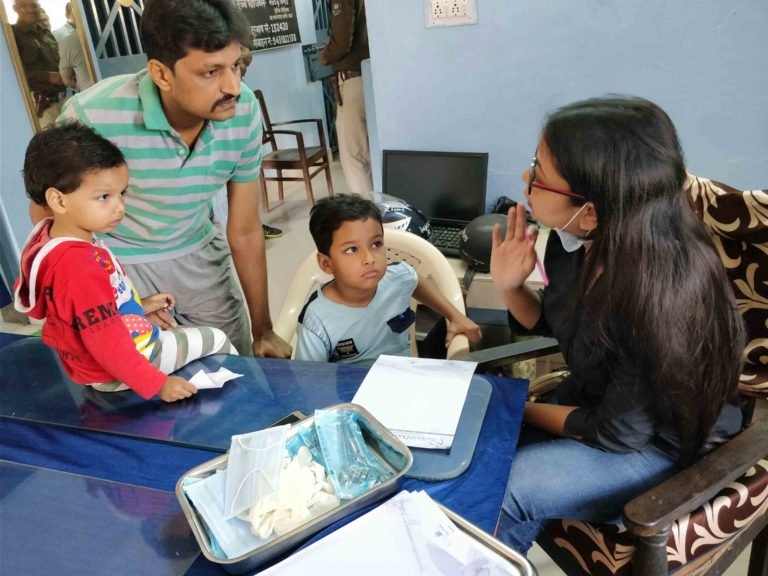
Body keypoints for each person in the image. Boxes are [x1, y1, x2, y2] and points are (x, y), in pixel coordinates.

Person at [488, 97, 746, 553]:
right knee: (479, 447)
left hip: (663, 450)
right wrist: (509, 286)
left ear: (590, 210)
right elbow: (557, 323)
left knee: (505, 489)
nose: (526, 180)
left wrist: (520, 408)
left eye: (540, 174)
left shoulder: (659, 295)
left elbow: (619, 435)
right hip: (602, 403)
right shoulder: (574, 243)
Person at [52, 0, 291, 358]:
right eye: (210, 72)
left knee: (235, 368)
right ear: (161, 74)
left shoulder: (243, 112)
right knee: (135, 381)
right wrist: (101, 300)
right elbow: (49, 218)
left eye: (237, 65)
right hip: (117, 264)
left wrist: (264, 329)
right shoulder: (93, 116)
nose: (232, 86)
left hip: (198, 255)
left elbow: (243, 230)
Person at [14, 123, 238, 402]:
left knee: (179, 332)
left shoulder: (53, 241)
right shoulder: (79, 266)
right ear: (58, 200)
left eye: (122, 193)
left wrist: (140, 305)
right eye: (104, 197)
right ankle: (241, 406)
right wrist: (158, 384)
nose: (120, 207)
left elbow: (87, 312)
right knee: (216, 338)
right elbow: (104, 341)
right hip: (119, 369)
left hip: (102, 362)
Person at [295, 195, 482, 363]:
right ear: (327, 264)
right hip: (349, 397)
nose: (369, 259)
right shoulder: (316, 320)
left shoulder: (397, 278)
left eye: (376, 244)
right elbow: (312, 381)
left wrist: (455, 316)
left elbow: (413, 279)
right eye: (352, 249)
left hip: (403, 383)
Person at [319, 0, 373, 197]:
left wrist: (324, 56)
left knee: (354, 155)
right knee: (368, 150)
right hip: (369, 75)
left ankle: (368, 215)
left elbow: (341, 43)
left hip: (352, 80)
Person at [11, 0, 65, 128]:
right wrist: (47, 76)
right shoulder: (12, 35)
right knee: (50, 145)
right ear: (15, 8)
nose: (30, 10)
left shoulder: (46, 33)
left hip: (63, 98)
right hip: (42, 105)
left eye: (34, 6)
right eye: (24, 6)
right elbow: (13, 73)